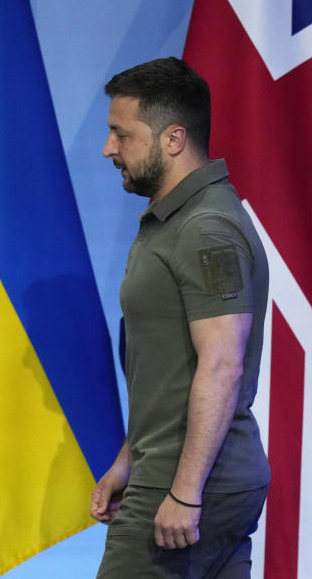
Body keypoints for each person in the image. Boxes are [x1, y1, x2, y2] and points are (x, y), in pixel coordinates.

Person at [90, 57, 270, 578]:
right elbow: (172, 368)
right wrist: (130, 457)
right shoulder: (175, 220)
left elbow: (221, 365)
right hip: (176, 473)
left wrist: (185, 493)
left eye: (121, 135)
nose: (109, 149)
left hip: (188, 485)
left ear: (172, 139)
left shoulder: (205, 228)